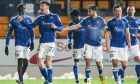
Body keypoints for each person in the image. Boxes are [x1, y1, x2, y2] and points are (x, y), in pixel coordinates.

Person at [64, 5, 106, 84]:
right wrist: (65, 32)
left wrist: (107, 39)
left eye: (89, 11)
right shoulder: (83, 21)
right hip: (83, 45)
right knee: (85, 61)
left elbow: (105, 30)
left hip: (93, 44)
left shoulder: (97, 20)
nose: (88, 12)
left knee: (99, 64)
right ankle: (85, 80)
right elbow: (72, 30)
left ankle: (100, 74)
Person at [32, 1, 63, 84]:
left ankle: (50, 81)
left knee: (48, 62)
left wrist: (55, 27)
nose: (40, 7)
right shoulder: (39, 18)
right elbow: (31, 26)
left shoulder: (55, 16)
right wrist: (23, 21)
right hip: (42, 43)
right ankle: (47, 79)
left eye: (42, 6)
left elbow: (61, 28)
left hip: (51, 42)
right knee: (39, 63)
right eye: (40, 6)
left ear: (47, 6)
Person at [5, 4, 34, 84]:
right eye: (21, 9)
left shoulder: (29, 19)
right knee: (20, 61)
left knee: (26, 63)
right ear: (18, 10)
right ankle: (21, 81)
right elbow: (9, 33)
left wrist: (32, 42)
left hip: (27, 44)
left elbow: (32, 31)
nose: (22, 10)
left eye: (23, 9)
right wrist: (6, 45)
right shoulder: (13, 20)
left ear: (25, 10)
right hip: (18, 43)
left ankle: (20, 77)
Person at [105, 5, 131, 84]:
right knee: (115, 63)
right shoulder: (110, 22)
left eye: (120, 11)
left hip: (123, 46)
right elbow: (107, 34)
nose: (119, 12)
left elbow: (127, 32)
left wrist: (129, 43)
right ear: (114, 11)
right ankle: (117, 81)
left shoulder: (125, 20)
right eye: (117, 11)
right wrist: (107, 46)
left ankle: (119, 75)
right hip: (114, 46)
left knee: (124, 65)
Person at [67, 9, 86, 84]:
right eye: (71, 17)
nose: (72, 19)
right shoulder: (71, 23)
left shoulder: (85, 21)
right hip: (76, 45)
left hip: (85, 44)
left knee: (87, 60)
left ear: (78, 16)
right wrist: (69, 42)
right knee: (76, 62)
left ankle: (87, 77)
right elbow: (69, 34)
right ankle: (77, 80)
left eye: (73, 17)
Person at [125, 4, 140, 84]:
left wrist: (133, 35)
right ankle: (120, 78)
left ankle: (139, 78)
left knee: (138, 60)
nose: (130, 10)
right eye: (129, 9)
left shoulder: (138, 21)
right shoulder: (123, 19)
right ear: (127, 10)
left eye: (132, 9)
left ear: (134, 11)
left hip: (134, 44)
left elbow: (139, 33)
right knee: (124, 64)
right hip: (124, 44)